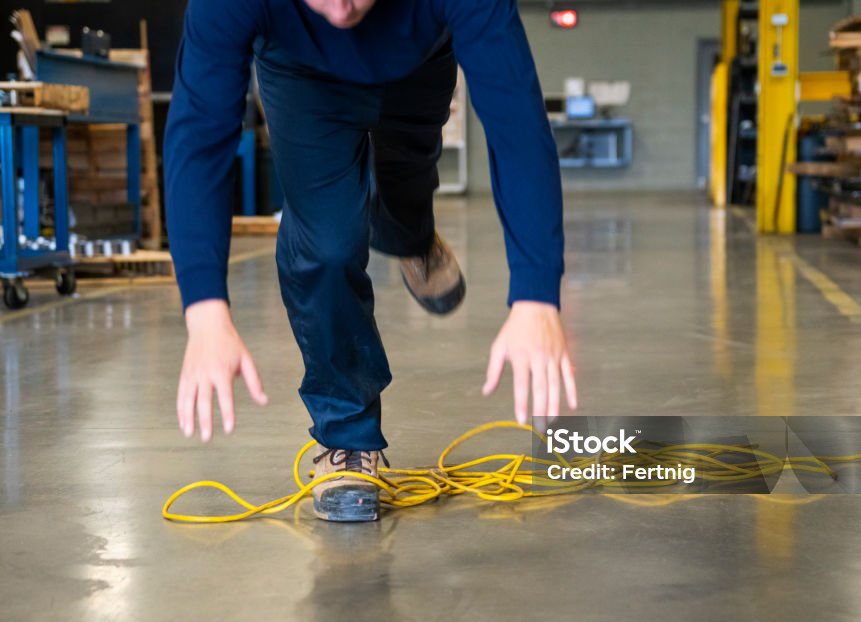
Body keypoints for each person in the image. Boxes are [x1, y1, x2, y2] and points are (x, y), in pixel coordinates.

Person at [165, 0, 578, 522]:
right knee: (328, 244)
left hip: (417, 68)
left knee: (404, 202)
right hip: (302, 76)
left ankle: (410, 238)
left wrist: (537, 296)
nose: (340, 9)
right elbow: (199, 136)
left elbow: (516, 124)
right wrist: (204, 310)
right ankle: (348, 441)